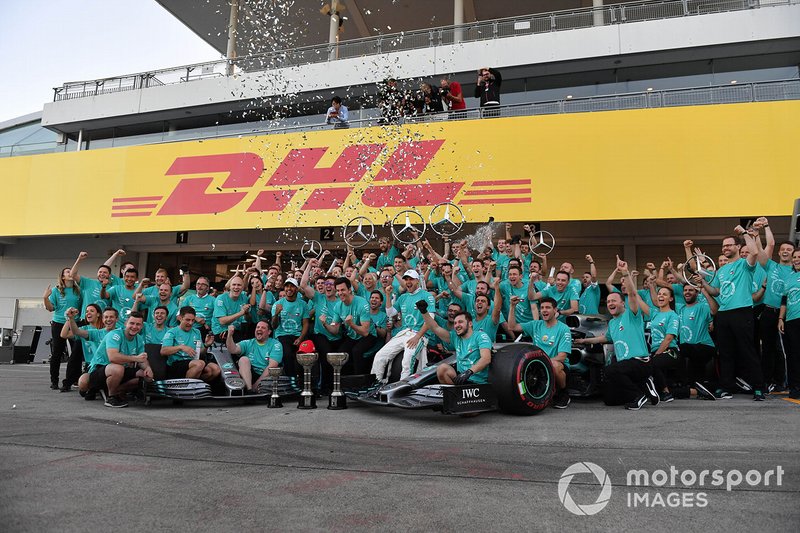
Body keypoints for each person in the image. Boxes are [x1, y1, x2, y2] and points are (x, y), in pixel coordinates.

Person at [574, 256, 660, 410]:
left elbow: (633, 295)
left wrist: (625, 273)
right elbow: (605, 338)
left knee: (610, 370)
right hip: (626, 367)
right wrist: (583, 342)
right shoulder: (612, 323)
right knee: (610, 400)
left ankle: (638, 396)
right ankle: (644, 387)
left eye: (614, 301)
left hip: (640, 362)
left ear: (622, 303)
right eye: (608, 302)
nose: (610, 303)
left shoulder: (631, 314)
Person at [697, 227, 765, 400]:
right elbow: (715, 292)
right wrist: (703, 282)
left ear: (737, 246)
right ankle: (726, 387)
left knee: (748, 351)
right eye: (723, 246)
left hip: (742, 312)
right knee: (725, 353)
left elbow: (755, 251)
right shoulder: (721, 271)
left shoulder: (745, 264)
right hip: (724, 314)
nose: (725, 248)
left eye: (729, 245)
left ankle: (758, 387)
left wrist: (743, 232)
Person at [507, 296, 572, 408]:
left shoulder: (563, 328)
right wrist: (512, 306)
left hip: (557, 365)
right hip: (537, 365)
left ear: (555, 310)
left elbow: (562, 356)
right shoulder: (535, 325)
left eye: (548, 307)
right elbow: (512, 326)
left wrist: (544, 362)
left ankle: (563, 393)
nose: (544, 310)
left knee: (555, 366)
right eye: (542, 308)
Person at [371, 270, 435, 382]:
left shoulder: (427, 296)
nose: (408, 282)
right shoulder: (403, 297)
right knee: (380, 356)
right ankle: (375, 385)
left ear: (417, 281)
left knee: (407, 360)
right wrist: (387, 294)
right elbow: (390, 313)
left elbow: (430, 320)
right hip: (403, 333)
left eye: (411, 279)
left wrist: (418, 336)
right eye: (406, 279)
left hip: (418, 335)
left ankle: (401, 388)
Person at [754, 217, 795, 392]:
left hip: (786, 314)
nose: (785, 251)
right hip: (768, 312)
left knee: (783, 350)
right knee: (768, 348)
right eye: (783, 249)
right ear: (779, 252)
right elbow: (760, 251)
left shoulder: (795, 272)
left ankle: (782, 381)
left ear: (794, 254)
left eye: (789, 250)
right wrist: (761, 230)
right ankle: (766, 381)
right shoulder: (771, 266)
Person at [86, 311, 153, 408]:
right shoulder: (115, 335)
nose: (134, 327)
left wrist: (148, 368)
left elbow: (142, 359)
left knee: (146, 376)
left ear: (142, 326)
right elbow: (113, 358)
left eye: (138, 324)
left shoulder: (139, 339)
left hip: (120, 370)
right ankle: (111, 397)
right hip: (101, 369)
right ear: (126, 323)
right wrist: (135, 358)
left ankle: (115, 390)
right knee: (117, 368)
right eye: (132, 323)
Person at [419, 307, 492, 387]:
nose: (457, 325)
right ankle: (454, 394)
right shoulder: (455, 337)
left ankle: (456, 395)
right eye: (455, 323)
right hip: (460, 379)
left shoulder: (481, 336)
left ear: (470, 324)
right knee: (442, 368)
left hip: (477, 383)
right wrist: (424, 311)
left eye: (460, 322)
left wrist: (469, 372)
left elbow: (486, 359)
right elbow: (435, 328)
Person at [43, 267, 82, 391]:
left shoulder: (79, 291)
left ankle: (74, 379)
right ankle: (54, 381)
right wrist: (45, 298)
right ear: (63, 276)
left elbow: (82, 307)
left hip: (74, 323)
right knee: (57, 352)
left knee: (76, 352)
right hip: (59, 323)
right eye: (67, 271)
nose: (70, 273)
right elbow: (50, 308)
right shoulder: (56, 290)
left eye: (71, 271)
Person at [332, 277, 377, 375]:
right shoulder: (338, 306)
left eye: (343, 290)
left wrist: (351, 324)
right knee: (341, 353)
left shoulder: (362, 303)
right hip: (353, 335)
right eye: (338, 290)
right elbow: (335, 329)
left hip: (369, 335)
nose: (340, 293)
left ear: (349, 290)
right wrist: (325, 324)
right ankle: (345, 382)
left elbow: (365, 332)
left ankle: (359, 383)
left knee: (356, 351)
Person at [161, 306, 219, 382]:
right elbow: (163, 351)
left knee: (215, 369)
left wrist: (206, 345)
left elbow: (200, 353)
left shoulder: (197, 332)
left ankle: (197, 386)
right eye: (187, 320)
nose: (190, 323)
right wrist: (181, 347)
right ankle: (186, 389)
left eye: (193, 320)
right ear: (180, 318)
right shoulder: (172, 332)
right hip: (176, 364)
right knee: (199, 364)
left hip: (193, 362)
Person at [272, 278, 311, 386]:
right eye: (287, 286)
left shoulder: (303, 304)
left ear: (297, 289)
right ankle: (292, 383)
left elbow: (306, 323)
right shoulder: (278, 304)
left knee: (306, 355)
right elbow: (274, 326)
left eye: (292, 286)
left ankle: (305, 383)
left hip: (298, 335)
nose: (289, 289)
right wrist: (276, 314)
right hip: (282, 335)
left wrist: (300, 338)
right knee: (287, 355)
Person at [226, 321, 283, 392]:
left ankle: (253, 389)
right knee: (243, 359)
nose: (259, 329)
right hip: (250, 376)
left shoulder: (276, 344)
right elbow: (233, 349)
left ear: (269, 332)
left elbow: (272, 366)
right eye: (258, 327)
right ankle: (249, 391)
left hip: (267, 376)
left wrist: (257, 384)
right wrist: (230, 335)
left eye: (263, 328)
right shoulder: (248, 343)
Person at [778, 249, 800, 399]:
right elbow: (784, 301)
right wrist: (781, 319)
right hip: (791, 321)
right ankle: (795, 388)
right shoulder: (789, 278)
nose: (797, 259)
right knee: (793, 356)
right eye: (795, 257)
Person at [211, 275, 250, 343]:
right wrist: (241, 313)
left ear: (243, 287)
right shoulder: (221, 298)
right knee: (240, 342)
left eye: (239, 285)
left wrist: (246, 313)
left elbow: (247, 319)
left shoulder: (244, 298)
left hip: (237, 330)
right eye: (234, 285)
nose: (236, 287)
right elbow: (222, 321)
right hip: (221, 331)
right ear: (230, 287)